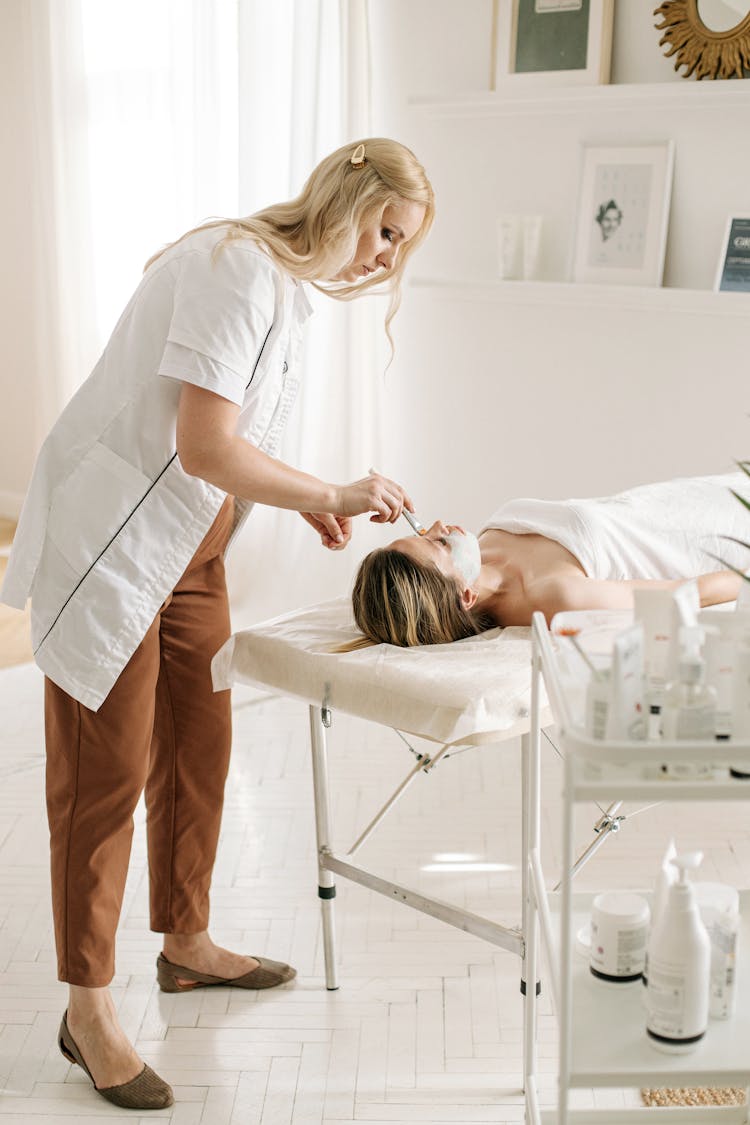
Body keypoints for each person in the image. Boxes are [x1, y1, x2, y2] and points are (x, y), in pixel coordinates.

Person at [0, 138, 434, 1109]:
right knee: (102, 775)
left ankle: (187, 945)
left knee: (200, 743)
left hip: (190, 547)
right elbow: (203, 447)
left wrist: (304, 498)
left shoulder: (281, 290)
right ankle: (87, 1008)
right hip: (112, 542)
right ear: (348, 199)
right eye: (386, 232)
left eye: (400, 250)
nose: (384, 260)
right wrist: (330, 486)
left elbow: (229, 441)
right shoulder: (234, 266)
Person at [351, 472, 749, 647]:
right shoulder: (557, 598)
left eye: (422, 531)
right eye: (437, 544)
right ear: (466, 596)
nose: (437, 525)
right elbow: (691, 593)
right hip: (721, 533)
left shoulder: (479, 553)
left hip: (687, 497)